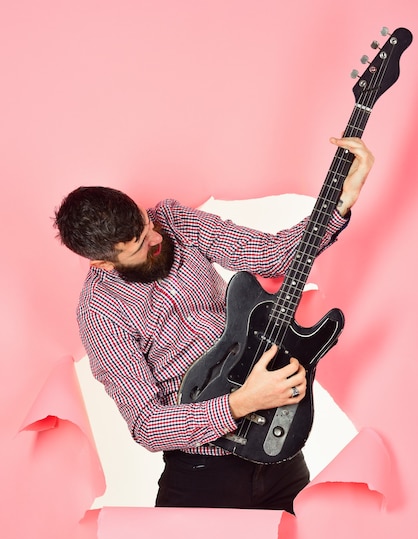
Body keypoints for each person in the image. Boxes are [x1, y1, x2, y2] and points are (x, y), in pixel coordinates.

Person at [54, 136, 374, 513]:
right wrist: (242, 402)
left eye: (145, 223)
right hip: (204, 474)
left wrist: (338, 202)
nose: (156, 236)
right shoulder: (100, 312)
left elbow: (270, 256)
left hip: (277, 448)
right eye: (140, 245)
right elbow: (147, 423)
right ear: (104, 264)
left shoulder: (173, 220)